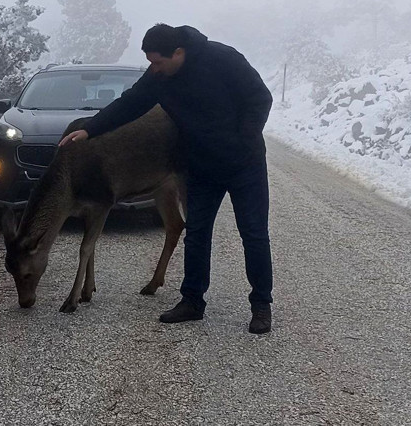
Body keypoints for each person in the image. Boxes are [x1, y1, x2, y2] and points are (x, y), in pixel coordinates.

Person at [59, 23, 274, 333]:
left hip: (245, 164)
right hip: (201, 166)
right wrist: (91, 128)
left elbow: (260, 98)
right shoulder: (159, 76)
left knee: (253, 233)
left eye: (157, 61)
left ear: (178, 52)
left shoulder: (223, 59)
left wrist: (242, 139)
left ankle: (261, 305)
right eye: (149, 62)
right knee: (197, 233)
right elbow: (130, 104)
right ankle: (192, 302)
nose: (153, 68)